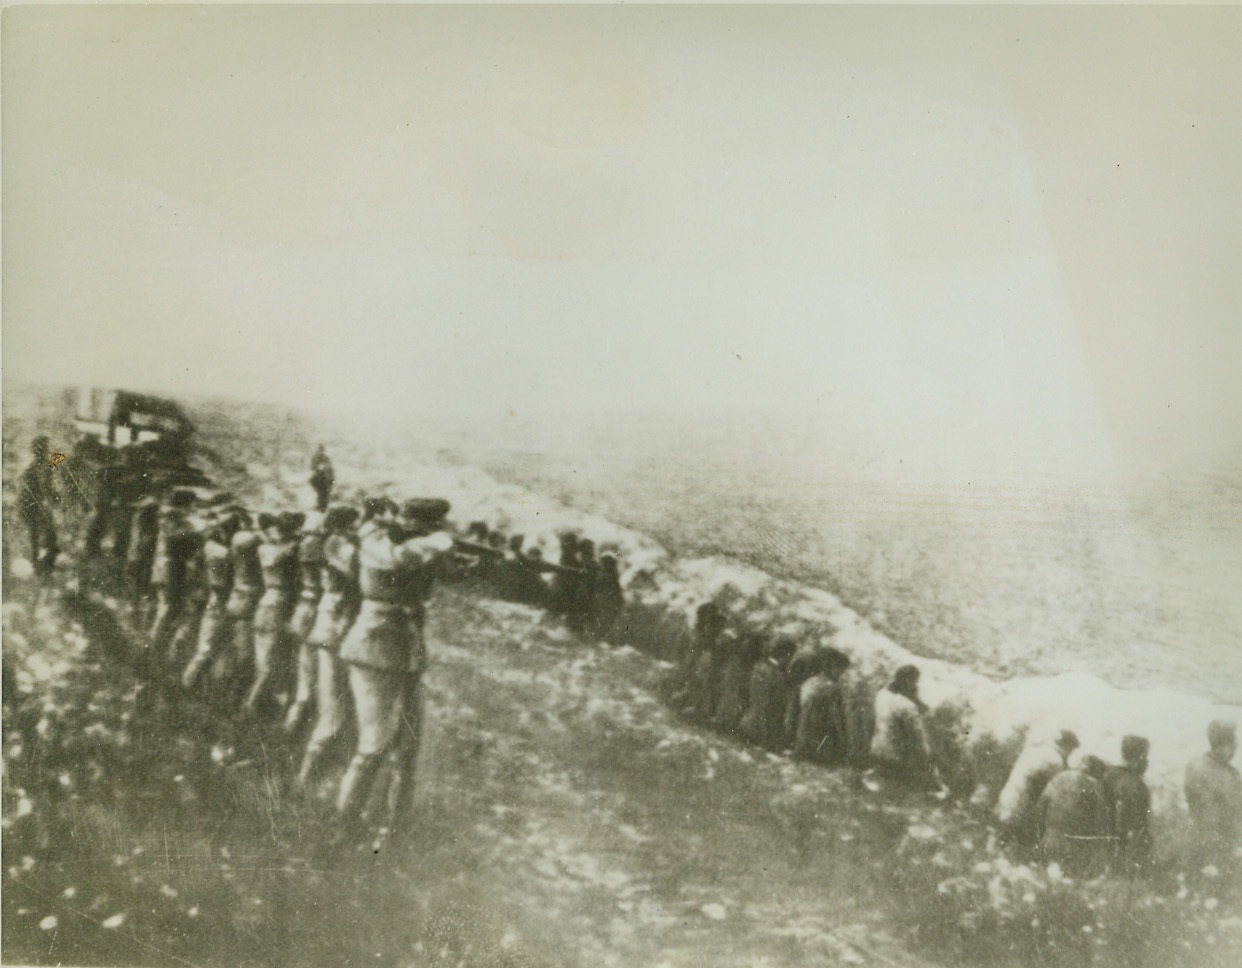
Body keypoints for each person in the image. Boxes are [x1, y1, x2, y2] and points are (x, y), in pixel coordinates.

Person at [334, 497, 454, 843]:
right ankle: (344, 825)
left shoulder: (405, 543)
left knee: (408, 746)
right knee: (372, 744)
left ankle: (393, 829)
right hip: (374, 649)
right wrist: (436, 540)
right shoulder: (375, 541)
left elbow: (446, 572)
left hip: (406, 653)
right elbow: (396, 558)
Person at [297, 504, 362, 790]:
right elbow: (352, 579)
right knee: (333, 711)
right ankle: (307, 774)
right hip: (335, 627)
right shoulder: (338, 545)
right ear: (344, 526)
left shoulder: (328, 542)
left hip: (328, 623)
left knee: (330, 705)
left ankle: (308, 770)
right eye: (352, 525)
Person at [243, 511, 304, 719]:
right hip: (279, 605)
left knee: (263, 658)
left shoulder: (264, 548)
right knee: (272, 661)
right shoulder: (289, 550)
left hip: (265, 603)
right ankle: (252, 705)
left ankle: (258, 702)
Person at [181, 508, 244, 694]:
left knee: (212, 647)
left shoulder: (209, 546)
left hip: (214, 598)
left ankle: (197, 685)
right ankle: (187, 684)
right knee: (207, 648)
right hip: (219, 600)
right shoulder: (220, 551)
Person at [147, 489, 204, 674]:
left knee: (167, 608)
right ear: (185, 504)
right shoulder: (175, 519)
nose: (193, 508)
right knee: (169, 608)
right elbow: (179, 539)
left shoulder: (168, 516)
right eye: (192, 504)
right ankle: (154, 652)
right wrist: (198, 532)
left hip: (166, 567)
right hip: (172, 569)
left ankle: (156, 649)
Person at [995, 729, 1080, 851]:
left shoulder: (1033, 749)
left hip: (1008, 797)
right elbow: (1048, 791)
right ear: (1066, 746)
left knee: (998, 840)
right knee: (1011, 847)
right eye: (1071, 750)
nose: (1069, 754)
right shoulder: (1055, 760)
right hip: (1023, 806)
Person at [283, 512, 327, 737]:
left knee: (303, 670)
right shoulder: (317, 548)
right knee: (310, 675)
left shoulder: (301, 546)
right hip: (314, 611)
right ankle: (295, 725)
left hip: (303, 609)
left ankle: (292, 720)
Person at [1037, 755, 1112, 878]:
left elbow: (1041, 804)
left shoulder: (1059, 777)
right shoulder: (1096, 786)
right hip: (1073, 848)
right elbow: (1100, 823)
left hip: (1049, 841)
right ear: (1097, 771)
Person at [1184, 719, 1242, 876]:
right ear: (1226, 744)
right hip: (1219, 845)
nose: (1236, 746)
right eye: (1233, 742)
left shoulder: (1193, 767)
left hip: (1198, 841)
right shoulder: (1231, 775)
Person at [868, 665, 938, 793]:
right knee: (928, 748)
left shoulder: (882, 694)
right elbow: (920, 741)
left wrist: (916, 700)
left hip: (876, 752)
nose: (916, 685)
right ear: (908, 682)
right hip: (896, 760)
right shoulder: (906, 706)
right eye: (915, 682)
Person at [792, 648, 852, 766]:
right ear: (832, 667)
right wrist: (843, 739)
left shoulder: (810, 681)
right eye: (840, 670)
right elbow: (836, 717)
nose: (841, 674)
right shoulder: (831, 687)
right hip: (819, 735)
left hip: (802, 732)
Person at [1102, 735, 1152, 875]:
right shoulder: (1137, 785)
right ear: (1140, 757)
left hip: (1104, 846)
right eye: (1145, 755)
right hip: (1126, 852)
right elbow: (1138, 827)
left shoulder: (1107, 775)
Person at [739, 635, 797, 750]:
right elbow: (767, 704)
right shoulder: (773, 673)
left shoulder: (761, 667)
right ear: (787, 654)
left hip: (749, 724)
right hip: (759, 730)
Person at [17, 436, 60, 580]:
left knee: (39, 536)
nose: (47, 450)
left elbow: (59, 460)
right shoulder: (37, 467)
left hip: (34, 505)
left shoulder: (37, 466)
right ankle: (41, 565)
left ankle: (40, 563)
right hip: (34, 505)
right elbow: (46, 486)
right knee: (42, 535)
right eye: (44, 448)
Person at [713, 631, 763, 736]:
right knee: (732, 697)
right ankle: (725, 723)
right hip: (738, 673)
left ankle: (724, 722)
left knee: (730, 697)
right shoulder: (748, 649)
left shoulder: (742, 647)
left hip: (737, 672)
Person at [592, 553, 625, 642]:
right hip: (609, 601)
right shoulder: (613, 576)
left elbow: (598, 587)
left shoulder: (606, 576)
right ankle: (603, 638)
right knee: (607, 621)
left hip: (607, 601)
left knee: (605, 621)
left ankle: (601, 638)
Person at [309, 445, 335, 513]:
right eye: (319, 450)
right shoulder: (316, 458)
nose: (320, 452)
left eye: (321, 450)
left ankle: (323, 507)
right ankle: (320, 506)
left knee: (325, 493)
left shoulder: (326, 458)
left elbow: (330, 469)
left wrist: (332, 480)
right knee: (321, 493)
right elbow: (312, 467)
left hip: (327, 479)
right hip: (320, 479)